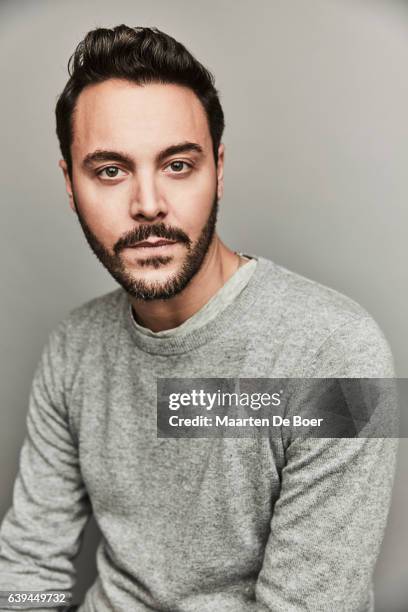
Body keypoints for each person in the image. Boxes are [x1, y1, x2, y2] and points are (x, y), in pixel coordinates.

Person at [0, 25, 398, 612]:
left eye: (178, 165)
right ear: (70, 185)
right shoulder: (74, 346)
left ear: (218, 166)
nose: (148, 204)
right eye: (110, 170)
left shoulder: (342, 356)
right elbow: (31, 566)